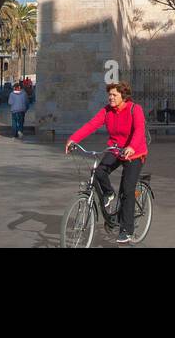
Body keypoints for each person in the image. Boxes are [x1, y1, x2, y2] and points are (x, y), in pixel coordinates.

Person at [65, 81, 148, 245]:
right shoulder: (107, 111)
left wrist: (131, 147)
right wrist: (73, 139)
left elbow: (139, 130)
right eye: (109, 94)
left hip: (135, 152)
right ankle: (109, 193)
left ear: (123, 96)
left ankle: (127, 230)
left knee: (127, 190)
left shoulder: (134, 109)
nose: (110, 97)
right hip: (116, 149)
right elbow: (91, 125)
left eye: (114, 95)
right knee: (98, 172)